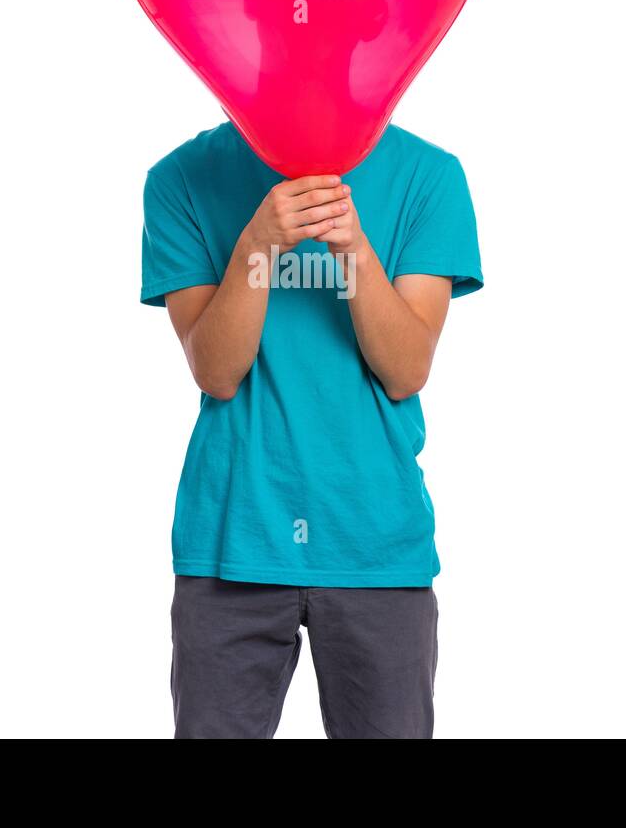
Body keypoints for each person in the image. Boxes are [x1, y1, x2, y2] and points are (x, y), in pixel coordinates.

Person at [140, 117, 483, 739]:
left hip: (376, 539)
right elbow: (216, 371)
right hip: (233, 538)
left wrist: (352, 249)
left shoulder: (428, 176)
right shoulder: (180, 179)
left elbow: (406, 370)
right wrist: (256, 248)